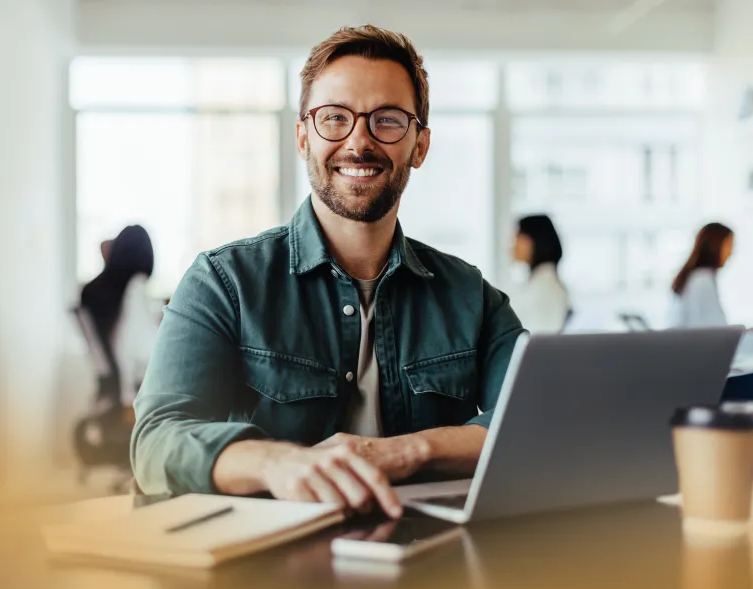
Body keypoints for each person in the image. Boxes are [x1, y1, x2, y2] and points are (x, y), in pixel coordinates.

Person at [131, 25, 524, 518]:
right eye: (334, 118)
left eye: (387, 120)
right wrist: (277, 463)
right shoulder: (223, 282)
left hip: (428, 558)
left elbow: (534, 424)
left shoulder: (472, 296)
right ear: (302, 137)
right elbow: (157, 440)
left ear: (419, 146)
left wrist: (407, 450)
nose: (359, 142)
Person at [81, 224, 159, 408]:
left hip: (109, 396)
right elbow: (137, 350)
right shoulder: (135, 286)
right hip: (133, 399)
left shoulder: (95, 292)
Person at [509, 215, 570, 334]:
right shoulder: (539, 282)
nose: (513, 245)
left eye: (518, 237)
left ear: (534, 241)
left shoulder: (546, 286)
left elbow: (537, 338)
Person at [670, 223, 734, 328]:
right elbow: (715, 327)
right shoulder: (702, 279)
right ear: (715, 246)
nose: (731, 252)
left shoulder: (696, 277)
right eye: (729, 245)